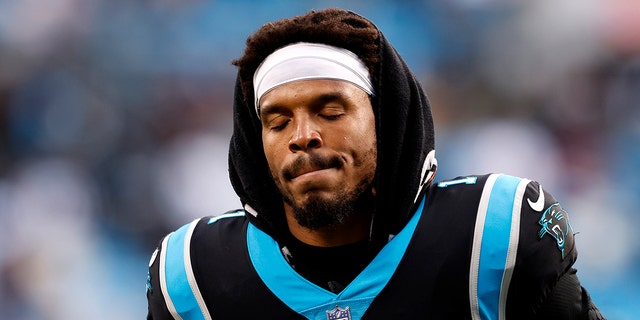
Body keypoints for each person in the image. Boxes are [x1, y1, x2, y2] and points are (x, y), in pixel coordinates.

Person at [146, 8, 605, 319]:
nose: (302, 136)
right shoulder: (196, 277)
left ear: (387, 122)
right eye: (277, 120)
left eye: (330, 111)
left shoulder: (491, 235)